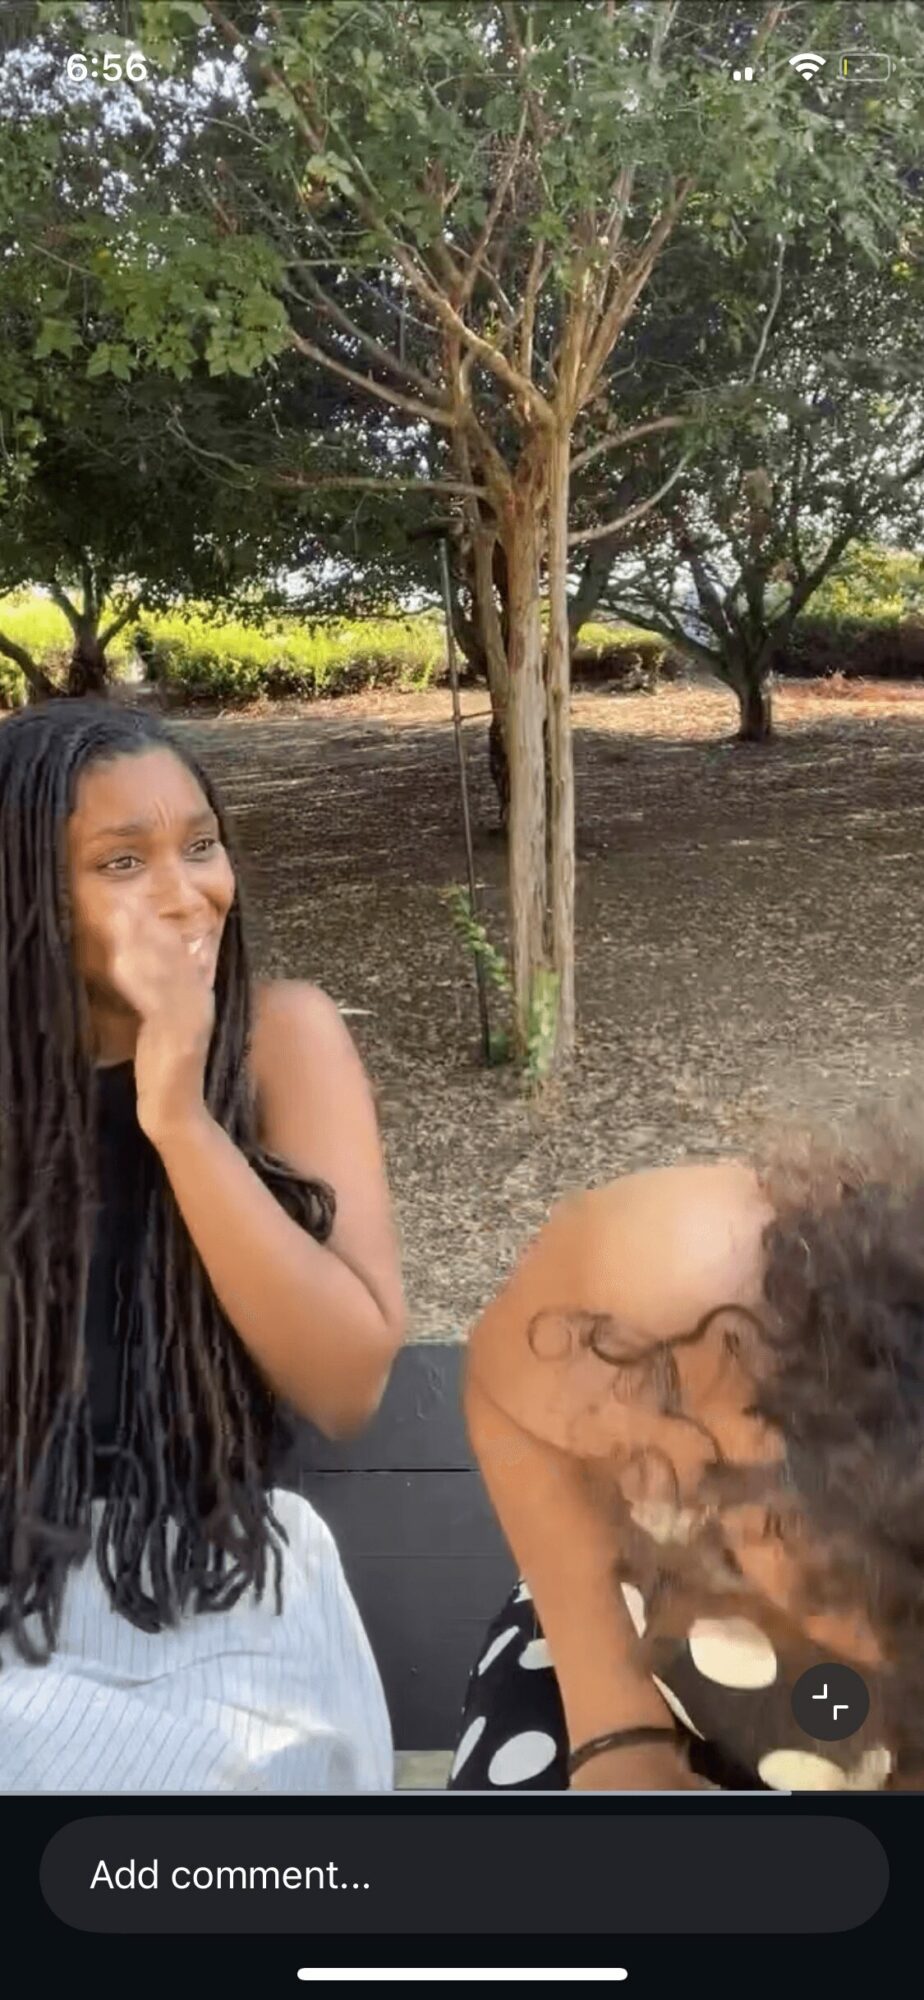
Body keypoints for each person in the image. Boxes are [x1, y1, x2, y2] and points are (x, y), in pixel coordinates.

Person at [0, 698, 406, 1793]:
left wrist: (178, 1118)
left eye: (201, 843)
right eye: (122, 860)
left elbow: (348, 1379)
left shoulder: (284, 1037)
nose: (191, 892)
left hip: (214, 1591)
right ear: (26, 898)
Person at [450, 1131, 924, 1793]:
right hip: (637, 1652)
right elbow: (508, 1392)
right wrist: (614, 1733)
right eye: (840, 1588)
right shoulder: (688, 1281)